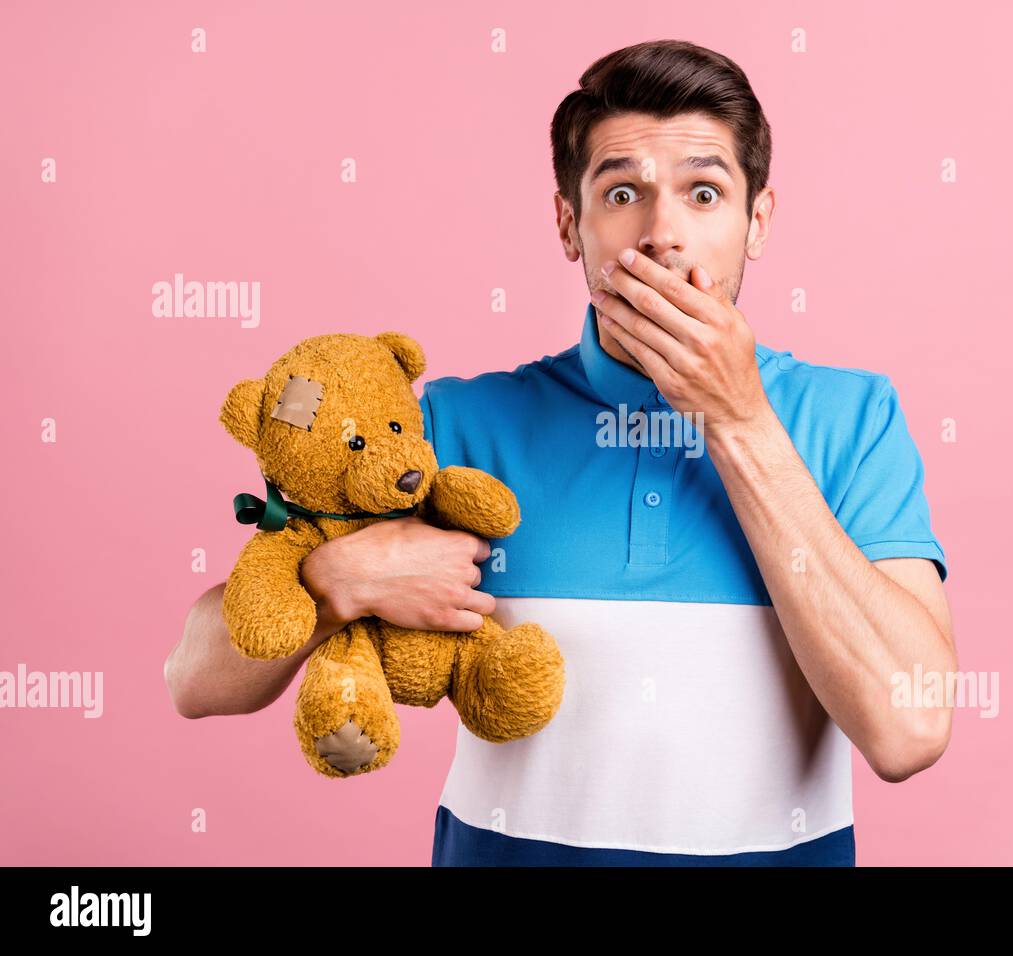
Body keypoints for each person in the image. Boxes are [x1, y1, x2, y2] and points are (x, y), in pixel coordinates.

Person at [165, 38, 957, 867]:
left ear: (756, 222)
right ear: (568, 225)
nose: (663, 236)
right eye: (623, 193)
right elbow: (193, 676)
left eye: (704, 193)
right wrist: (337, 583)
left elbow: (910, 730)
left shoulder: (854, 419)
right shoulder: (452, 425)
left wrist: (739, 421)